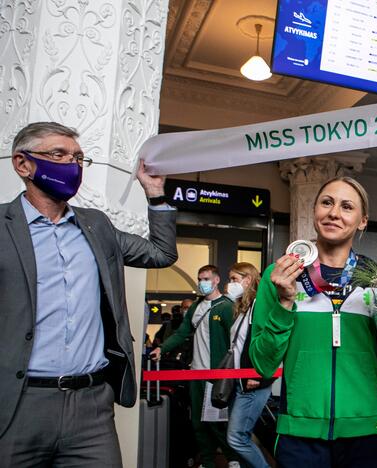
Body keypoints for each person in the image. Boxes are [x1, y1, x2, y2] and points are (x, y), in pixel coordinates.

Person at [0, 122, 178, 465]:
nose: (72, 165)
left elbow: (161, 254)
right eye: (59, 154)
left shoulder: (97, 226)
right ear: (23, 164)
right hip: (19, 403)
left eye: (79, 158)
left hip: (91, 407)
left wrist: (155, 193)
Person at [249, 176, 377, 468]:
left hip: (367, 431)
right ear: (315, 211)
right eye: (327, 202)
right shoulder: (281, 274)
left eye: (347, 206)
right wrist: (285, 302)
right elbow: (263, 363)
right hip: (299, 432)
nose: (334, 212)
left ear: (362, 221)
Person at [151, 265, 241, 468]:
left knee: (217, 422)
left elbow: (235, 341)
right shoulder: (196, 307)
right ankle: (208, 462)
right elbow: (182, 332)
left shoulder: (226, 306)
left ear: (217, 280)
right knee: (198, 423)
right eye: (200, 279)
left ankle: (233, 459)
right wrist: (162, 348)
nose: (202, 283)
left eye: (206, 278)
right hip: (196, 373)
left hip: (216, 375)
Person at [225, 262, 274, 468]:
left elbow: (268, 341)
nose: (230, 284)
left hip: (253, 381)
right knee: (243, 436)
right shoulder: (244, 308)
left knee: (236, 438)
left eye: (234, 279)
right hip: (240, 380)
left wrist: (257, 374)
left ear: (248, 280)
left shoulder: (259, 305)